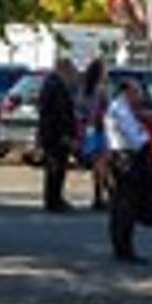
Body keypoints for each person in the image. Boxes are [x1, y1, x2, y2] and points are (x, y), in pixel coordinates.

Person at [105, 79, 152, 264]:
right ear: (126, 92)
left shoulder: (122, 109)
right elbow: (135, 139)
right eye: (136, 93)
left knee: (124, 204)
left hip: (123, 156)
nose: (138, 97)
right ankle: (123, 248)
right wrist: (145, 134)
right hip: (125, 158)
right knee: (125, 205)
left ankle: (123, 246)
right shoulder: (120, 110)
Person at [37, 59, 80, 213]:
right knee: (56, 168)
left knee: (57, 167)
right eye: (71, 70)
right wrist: (66, 135)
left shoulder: (52, 84)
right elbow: (59, 113)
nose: (73, 73)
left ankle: (55, 198)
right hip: (56, 134)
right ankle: (53, 200)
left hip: (52, 132)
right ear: (64, 70)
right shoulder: (56, 86)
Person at [80, 58, 112, 210]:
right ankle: (104, 194)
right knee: (103, 164)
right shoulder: (101, 89)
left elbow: (82, 108)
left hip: (90, 128)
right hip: (101, 128)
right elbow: (104, 109)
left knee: (96, 165)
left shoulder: (85, 89)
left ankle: (99, 195)